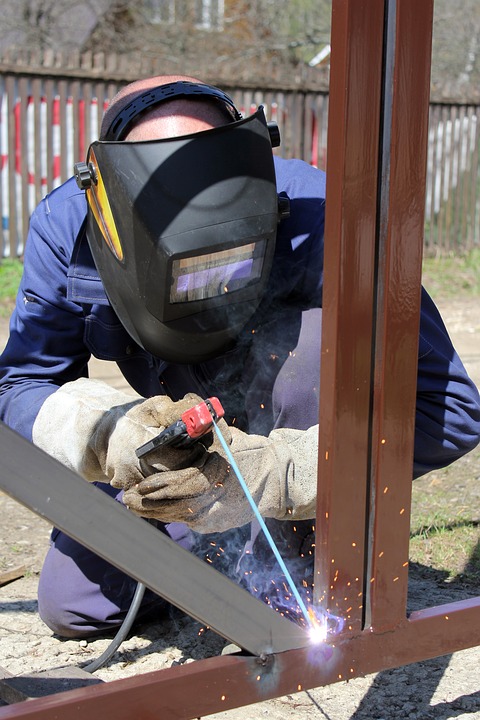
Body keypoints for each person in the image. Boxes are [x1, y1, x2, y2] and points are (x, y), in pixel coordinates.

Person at [0, 75, 479, 639]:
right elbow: (22, 384)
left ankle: (298, 555)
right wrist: (113, 437)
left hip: (294, 449)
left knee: (315, 350)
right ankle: (217, 552)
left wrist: (283, 473)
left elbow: (448, 408)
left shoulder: (324, 214)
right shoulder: (70, 229)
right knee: (77, 606)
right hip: (177, 448)